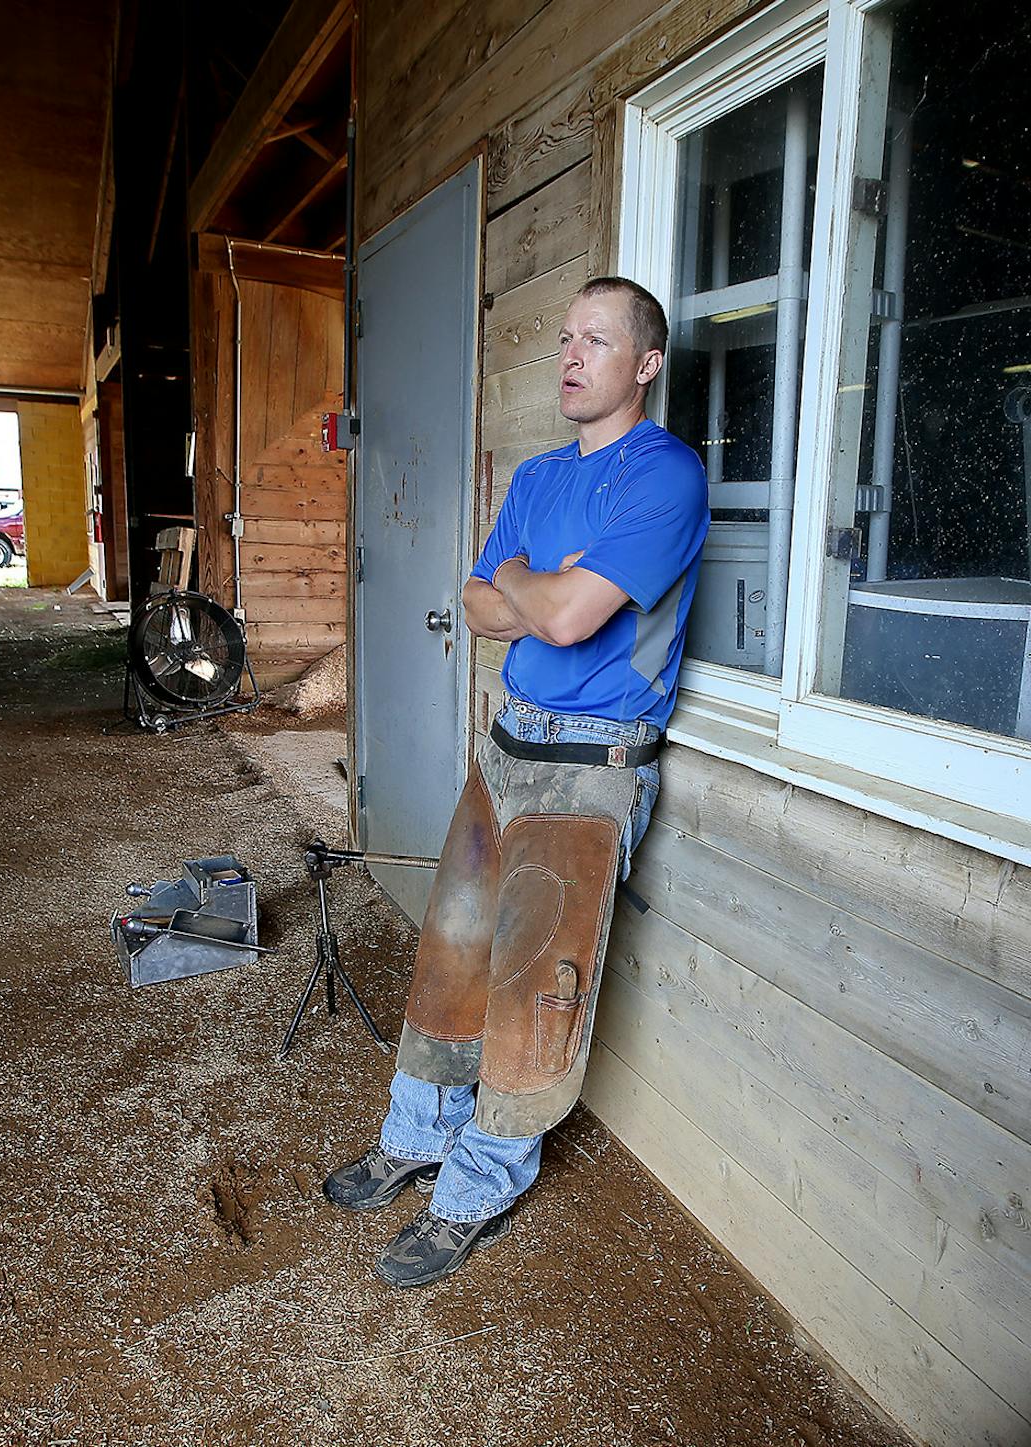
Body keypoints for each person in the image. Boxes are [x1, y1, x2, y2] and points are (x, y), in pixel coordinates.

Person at [322, 276, 709, 1287]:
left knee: (539, 983)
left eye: (598, 340)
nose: (572, 356)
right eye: (566, 338)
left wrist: (535, 588)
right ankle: (418, 1133)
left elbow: (570, 619)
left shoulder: (666, 476)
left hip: (591, 764)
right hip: (506, 744)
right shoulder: (538, 475)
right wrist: (547, 586)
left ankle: (480, 1184)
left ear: (646, 364)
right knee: (451, 956)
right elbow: (479, 602)